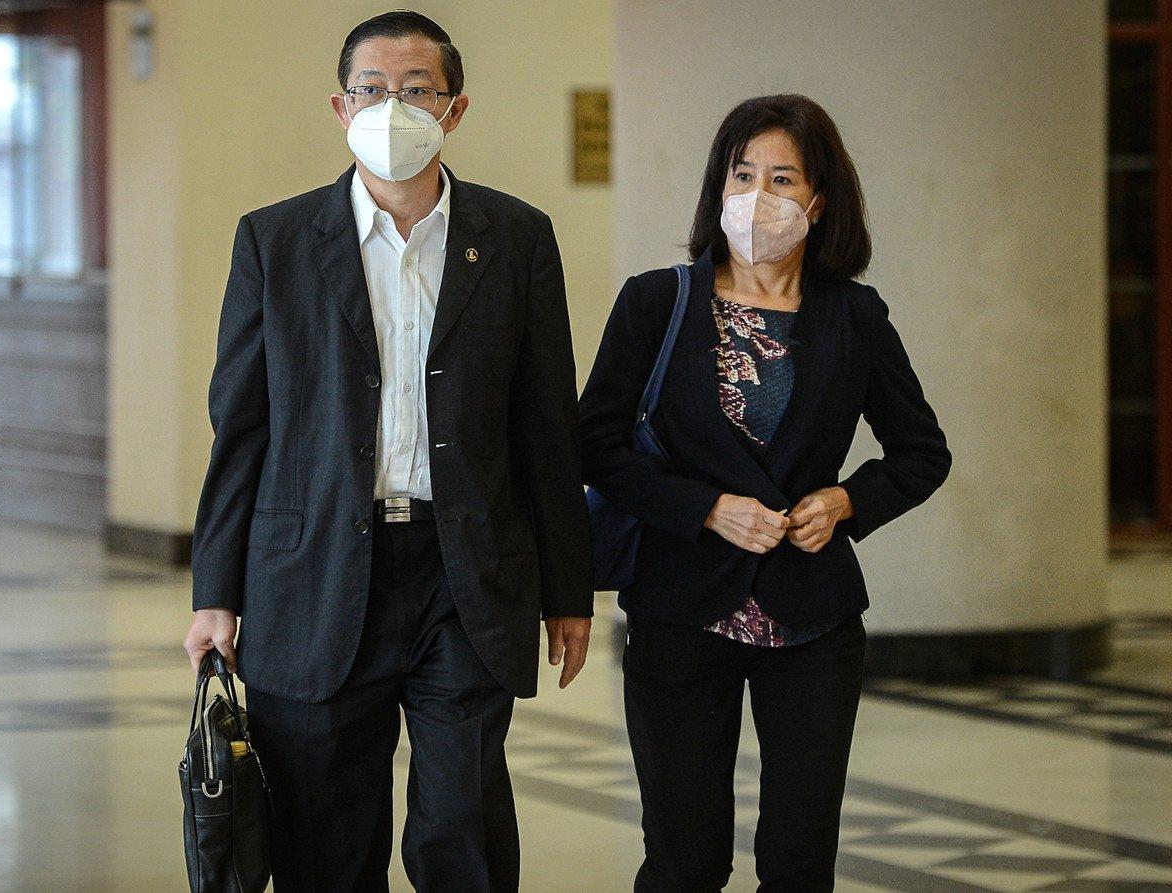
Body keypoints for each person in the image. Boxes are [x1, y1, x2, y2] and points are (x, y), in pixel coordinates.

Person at [182, 11, 593, 891]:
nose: (391, 108)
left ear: (455, 109)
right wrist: (215, 589)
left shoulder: (517, 238)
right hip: (316, 568)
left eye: (416, 91)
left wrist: (568, 588)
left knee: (464, 829)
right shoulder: (276, 241)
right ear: (339, 107)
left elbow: (546, 426)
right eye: (371, 90)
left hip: (466, 571)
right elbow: (241, 425)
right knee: (325, 844)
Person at [578, 93, 952, 891]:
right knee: (684, 858)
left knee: (798, 859)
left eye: (782, 177)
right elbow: (595, 444)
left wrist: (846, 502)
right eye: (742, 174)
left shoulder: (854, 316)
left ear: (818, 201)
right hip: (680, 607)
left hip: (812, 618)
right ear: (719, 188)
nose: (759, 196)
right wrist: (704, 506)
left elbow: (922, 452)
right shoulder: (657, 302)